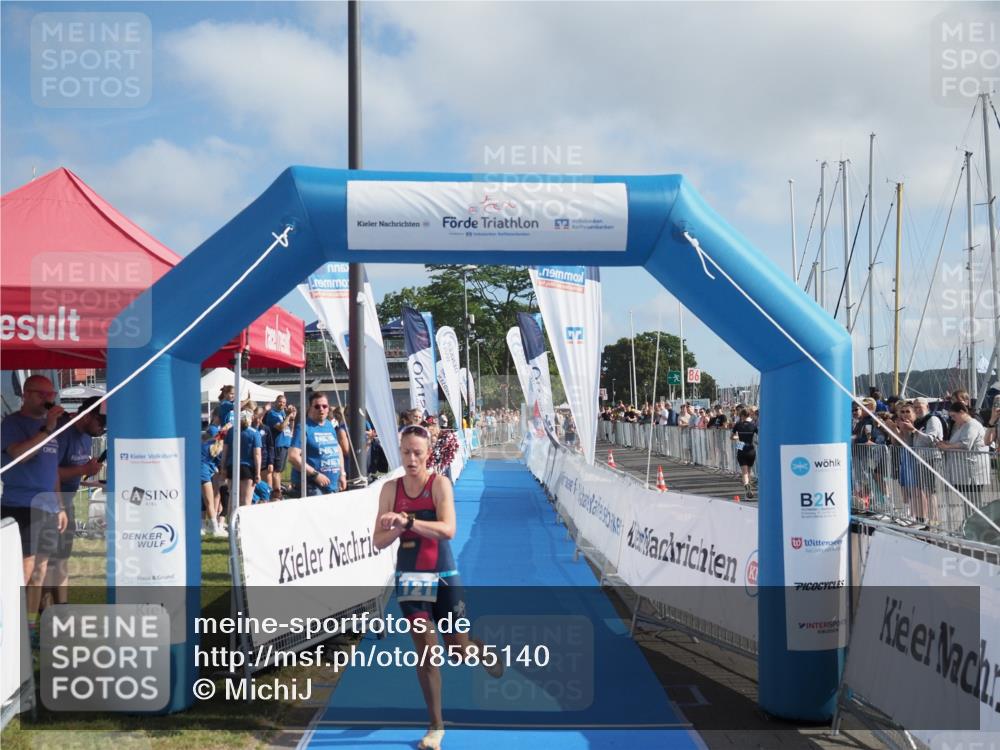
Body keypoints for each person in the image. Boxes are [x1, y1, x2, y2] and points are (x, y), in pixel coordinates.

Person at [372, 425, 502, 750]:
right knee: (428, 654)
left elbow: (448, 530)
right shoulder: (390, 489)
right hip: (411, 579)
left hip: (444, 576)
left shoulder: (439, 483)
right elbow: (378, 541)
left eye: (418, 452)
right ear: (399, 452)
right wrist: (392, 526)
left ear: (428, 453)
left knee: (457, 653)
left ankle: (477, 648)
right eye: (406, 452)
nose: (412, 459)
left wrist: (409, 522)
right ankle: (435, 726)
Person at [0, 375, 67, 640]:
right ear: (26, 395)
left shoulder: (49, 427)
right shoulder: (13, 423)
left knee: (41, 570)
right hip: (21, 506)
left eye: (51, 394)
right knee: (23, 571)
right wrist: (47, 429)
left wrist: (60, 504)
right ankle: (11, 629)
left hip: (48, 507)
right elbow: (20, 455)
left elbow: (53, 472)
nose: (49, 399)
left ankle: (28, 629)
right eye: (42, 394)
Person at [46, 397, 106, 608]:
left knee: (61, 559)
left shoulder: (87, 438)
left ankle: (61, 608)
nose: (103, 428)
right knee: (47, 562)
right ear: (88, 415)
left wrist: (90, 476)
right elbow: (49, 472)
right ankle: (42, 610)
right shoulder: (63, 433)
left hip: (67, 501)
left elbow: (75, 473)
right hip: (50, 502)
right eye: (102, 422)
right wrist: (83, 470)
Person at [289, 393, 347, 496]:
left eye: (324, 406)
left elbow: (337, 449)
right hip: (311, 485)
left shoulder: (329, 425)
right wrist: (315, 475)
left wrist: (342, 473)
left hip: (332, 485)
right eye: (317, 406)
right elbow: (293, 456)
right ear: (310, 408)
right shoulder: (303, 427)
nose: (321, 409)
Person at [936, 401, 989, 507]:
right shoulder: (963, 425)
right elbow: (958, 442)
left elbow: (965, 444)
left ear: (962, 412)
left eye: (953, 416)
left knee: (972, 501)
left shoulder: (972, 424)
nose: (952, 419)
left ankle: (975, 522)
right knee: (968, 502)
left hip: (971, 472)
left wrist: (947, 447)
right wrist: (946, 443)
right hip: (962, 471)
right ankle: (970, 521)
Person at [222, 410, 262, 506]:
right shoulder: (254, 433)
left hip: (232, 466)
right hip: (247, 468)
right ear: (251, 419)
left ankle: (231, 519)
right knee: (246, 500)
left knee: (232, 496)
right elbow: (257, 454)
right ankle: (243, 520)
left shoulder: (231, 431)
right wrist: (258, 473)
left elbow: (225, 451)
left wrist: (222, 467)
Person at [265, 395, 296, 500]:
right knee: (276, 470)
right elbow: (281, 428)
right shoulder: (272, 414)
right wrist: (287, 416)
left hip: (285, 443)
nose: (282, 404)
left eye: (284, 402)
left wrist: (292, 418)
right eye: (280, 402)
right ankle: (276, 494)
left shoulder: (283, 413)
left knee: (280, 470)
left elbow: (290, 428)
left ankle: (277, 491)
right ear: (275, 402)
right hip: (277, 444)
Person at [200, 426, 226, 536]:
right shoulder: (217, 448)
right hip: (203, 474)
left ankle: (202, 527)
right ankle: (215, 528)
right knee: (209, 502)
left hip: (198, 472)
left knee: (203, 501)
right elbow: (220, 466)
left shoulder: (204, 445)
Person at [731, 408, 758, 498]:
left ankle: (746, 485)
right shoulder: (753, 425)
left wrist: (737, 438)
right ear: (749, 415)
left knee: (744, 472)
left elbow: (732, 437)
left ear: (742, 415)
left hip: (741, 446)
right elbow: (759, 434)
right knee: (748, 471)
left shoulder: (738, 425)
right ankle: (748, 489)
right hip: (751, 448)